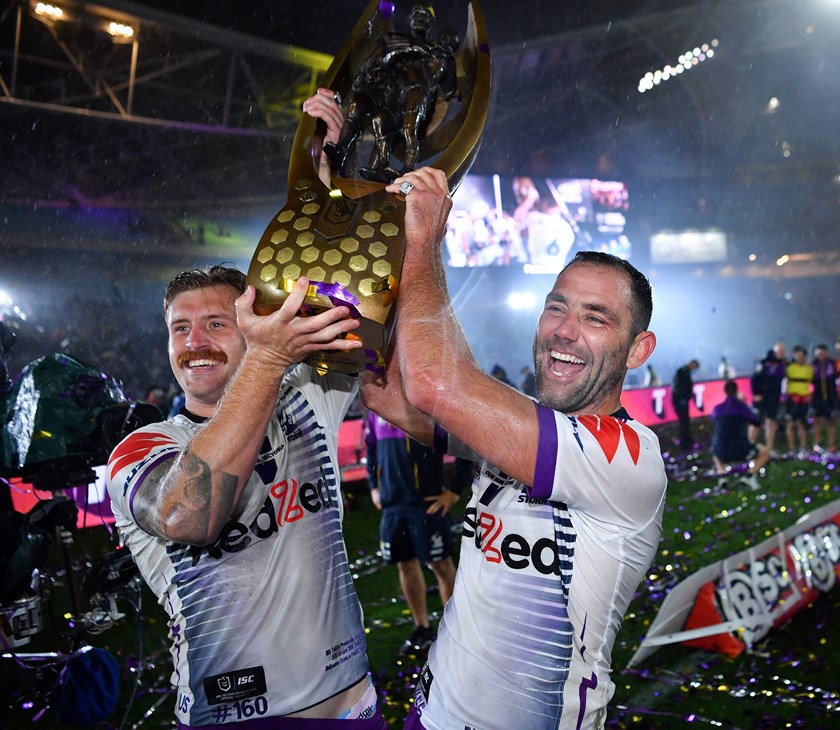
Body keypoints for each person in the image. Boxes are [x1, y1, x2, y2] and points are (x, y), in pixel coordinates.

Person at [357, 168, 666, 729]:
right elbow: (388, 392)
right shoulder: (520, 427)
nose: (564, 330)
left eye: (595, 318)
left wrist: (424, 239)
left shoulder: (627, 456)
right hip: (433, 714)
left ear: (638, 350)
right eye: (556, 307)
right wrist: (356, 208)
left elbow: (432, 383)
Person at [105, 265, 389, 729]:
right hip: (230, 715)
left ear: (253, 324)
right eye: (181, 328)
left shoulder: (305, 395)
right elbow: (187, 517)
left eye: (216, 323)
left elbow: (369, 306)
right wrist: (266, 360)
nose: (195, 342)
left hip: (352, 708)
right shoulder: (144, 448)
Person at [323, 3, 458, 183]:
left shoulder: (437, 52)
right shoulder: (392, 39)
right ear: (409, 19)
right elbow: (372, 61)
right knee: (357, 106)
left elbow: (448, 90)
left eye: (425, 16)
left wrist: (449, 62)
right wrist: (360, 79)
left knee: (392, 130)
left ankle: (384, 174)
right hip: (385, 92)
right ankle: (341, 149)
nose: (419, 19)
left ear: (431, 23)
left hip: (410, 101)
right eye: (416, 14)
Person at [364, 412, 459, 655]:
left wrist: (455, 491)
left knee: (441, 566)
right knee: (405, 565)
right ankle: (423, 628)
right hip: (393, 506)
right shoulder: (376, 407)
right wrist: (374, 487)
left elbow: (464, 444)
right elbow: (371, 446)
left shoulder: (427, 404)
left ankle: (457, 630)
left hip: (426, 504)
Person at [710, 380, 770, 490]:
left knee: (716, 452)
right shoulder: (742, 407)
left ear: (725, 391)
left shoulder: (717, 408)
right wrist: (745, 404)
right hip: (740, 449)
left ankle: (722, 475)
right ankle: (749, 476)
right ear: (737, 391)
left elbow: (714, 420)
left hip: (722, 449)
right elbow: (756, 421)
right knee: (765, 452)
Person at [750, 341, 787, 455]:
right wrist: (757, 393)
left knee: (771, 422)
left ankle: (770, 448)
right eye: (780, 351)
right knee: (756, 422)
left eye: (783, 351)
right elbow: (754, 379)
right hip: (761, 397)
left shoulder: (782, 364)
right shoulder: (764, 363)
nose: (782, 353)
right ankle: (750, 447)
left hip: (774, 398)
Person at [784, 344, 813, 458]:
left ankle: (803, 447)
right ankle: (791, 449)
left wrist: (809, 394)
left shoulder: (809, 368)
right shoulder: (789, 368)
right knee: (790, 424)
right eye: (798, 355)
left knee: (802, 424)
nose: (800, 357)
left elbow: (810, 383)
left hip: (804, 400)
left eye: (802, 355)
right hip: (792, 399)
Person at [811, 343, 837, 453]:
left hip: (831, 396)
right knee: (818, 420)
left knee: (831, 421)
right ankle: (817, 444)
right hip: (817, 396)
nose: (821, 355)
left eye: (823, 353)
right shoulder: (812, 365)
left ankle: (831, 445)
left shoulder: (833, 364)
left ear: (826, 353)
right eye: (819, 353)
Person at [671, 359, 699, 451]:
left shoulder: (683, 371)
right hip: (680, 399)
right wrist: (684, 397)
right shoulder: (682, 372)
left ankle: (685, 440)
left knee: (684, 421)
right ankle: (685, 441)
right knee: (684, 421)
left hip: (681, 399)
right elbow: (680, 386)